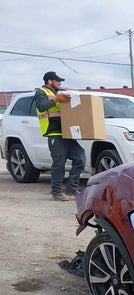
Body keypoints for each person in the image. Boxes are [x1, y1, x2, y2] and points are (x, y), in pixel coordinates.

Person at [34, 71, 85, 202]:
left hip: (66, 133)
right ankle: (56, 192)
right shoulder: (41, 92)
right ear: (50, 81)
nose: (60, 83)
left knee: (80, 158)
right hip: (54, 133)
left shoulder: (56, 93)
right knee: (59, 164)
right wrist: (57, 100)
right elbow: (40, 106)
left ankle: (71, 189)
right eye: (57, 81)